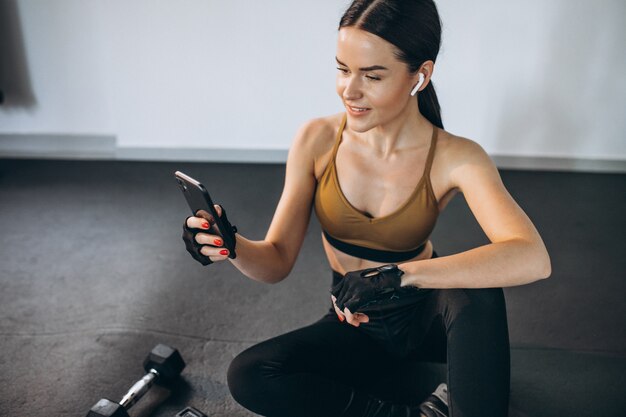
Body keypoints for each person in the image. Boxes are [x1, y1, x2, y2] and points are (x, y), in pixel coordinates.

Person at [181, 0, 551, 416]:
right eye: (343, 69)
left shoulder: (457, 157)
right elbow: (277, 261)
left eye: (372, 76)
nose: (349, 91)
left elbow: (531, 257)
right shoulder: (317, 139)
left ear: (421, 75)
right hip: (356, 322)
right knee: (249, 374)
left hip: (427, 314)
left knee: (480, 292)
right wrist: (231, 245)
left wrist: (400, 276)